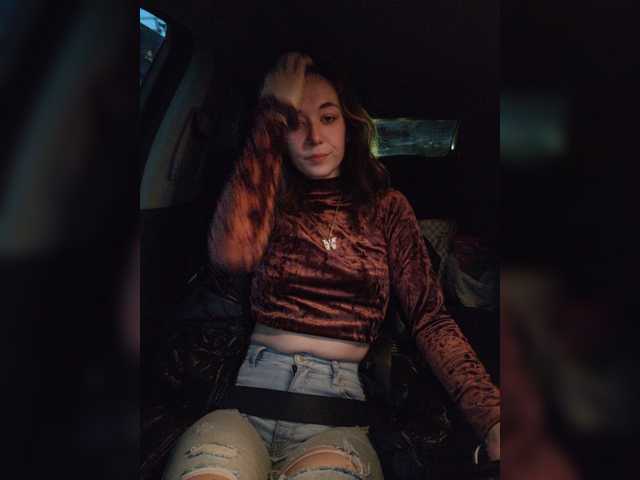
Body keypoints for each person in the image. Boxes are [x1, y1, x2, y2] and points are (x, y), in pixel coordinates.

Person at [162, 52, 500, 480]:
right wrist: (269, 117)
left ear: (348, 125)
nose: (314, 137)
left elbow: (429, 319)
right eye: (295, 122)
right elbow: (232, 253)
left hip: (335, 416)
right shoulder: (267, 197)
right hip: (245, 402)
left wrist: (491, 417)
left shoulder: (387, 208)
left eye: (327, 118)